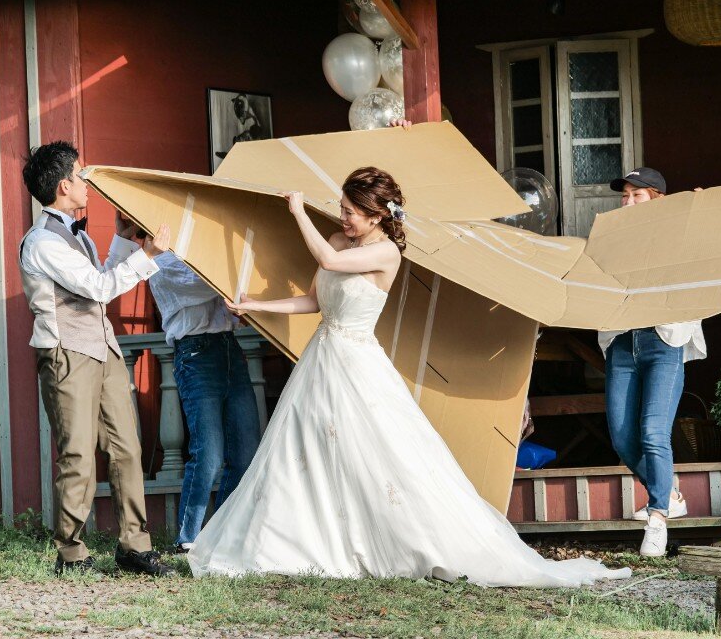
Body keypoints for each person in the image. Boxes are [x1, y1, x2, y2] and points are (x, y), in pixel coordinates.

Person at [187, 167, 630, 587]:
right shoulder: (339, 239)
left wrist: (298, 210)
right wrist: (255, 305)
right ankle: (297, 540)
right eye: (342, 209)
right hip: (321, 359)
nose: (343, 218)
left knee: (380, 454)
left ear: (377, 215)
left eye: (350, 211)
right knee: (304, 448)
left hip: (358, 364)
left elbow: (327, 259)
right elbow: (313, 301)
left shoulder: (387, 253)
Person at [18, 140, 176, 577]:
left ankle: (134, 546)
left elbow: (101, 274)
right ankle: (71, 553)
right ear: (64, 185)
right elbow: (100, 288)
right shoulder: (42, 242)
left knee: (127, 446)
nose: (88, 182)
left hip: (103, 349)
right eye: (81, 175)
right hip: (66, 354)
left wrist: (124, 240)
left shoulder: (78, 235)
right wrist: (148, 255)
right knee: (78, 454)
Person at [598, 168, 705, 557]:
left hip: (664, 340)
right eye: (624, 195)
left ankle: (657, 518)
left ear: (657, 200)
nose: (627, 201)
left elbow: (710, 249)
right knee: (622, 437)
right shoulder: (611, 240)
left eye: (637, 195)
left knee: (653, 432)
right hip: (622, 341)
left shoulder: (679, 236)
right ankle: (670, 494)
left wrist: (698, 212)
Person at [140, 246, 261, 553]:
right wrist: (239, 282)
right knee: (208, 453)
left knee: (245, 452)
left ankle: (220, 534)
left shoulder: (205, 254)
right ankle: (187, 539)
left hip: (230, 349)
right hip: (195, 354)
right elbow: (206, 284)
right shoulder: (161, 262)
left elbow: (229, 301)